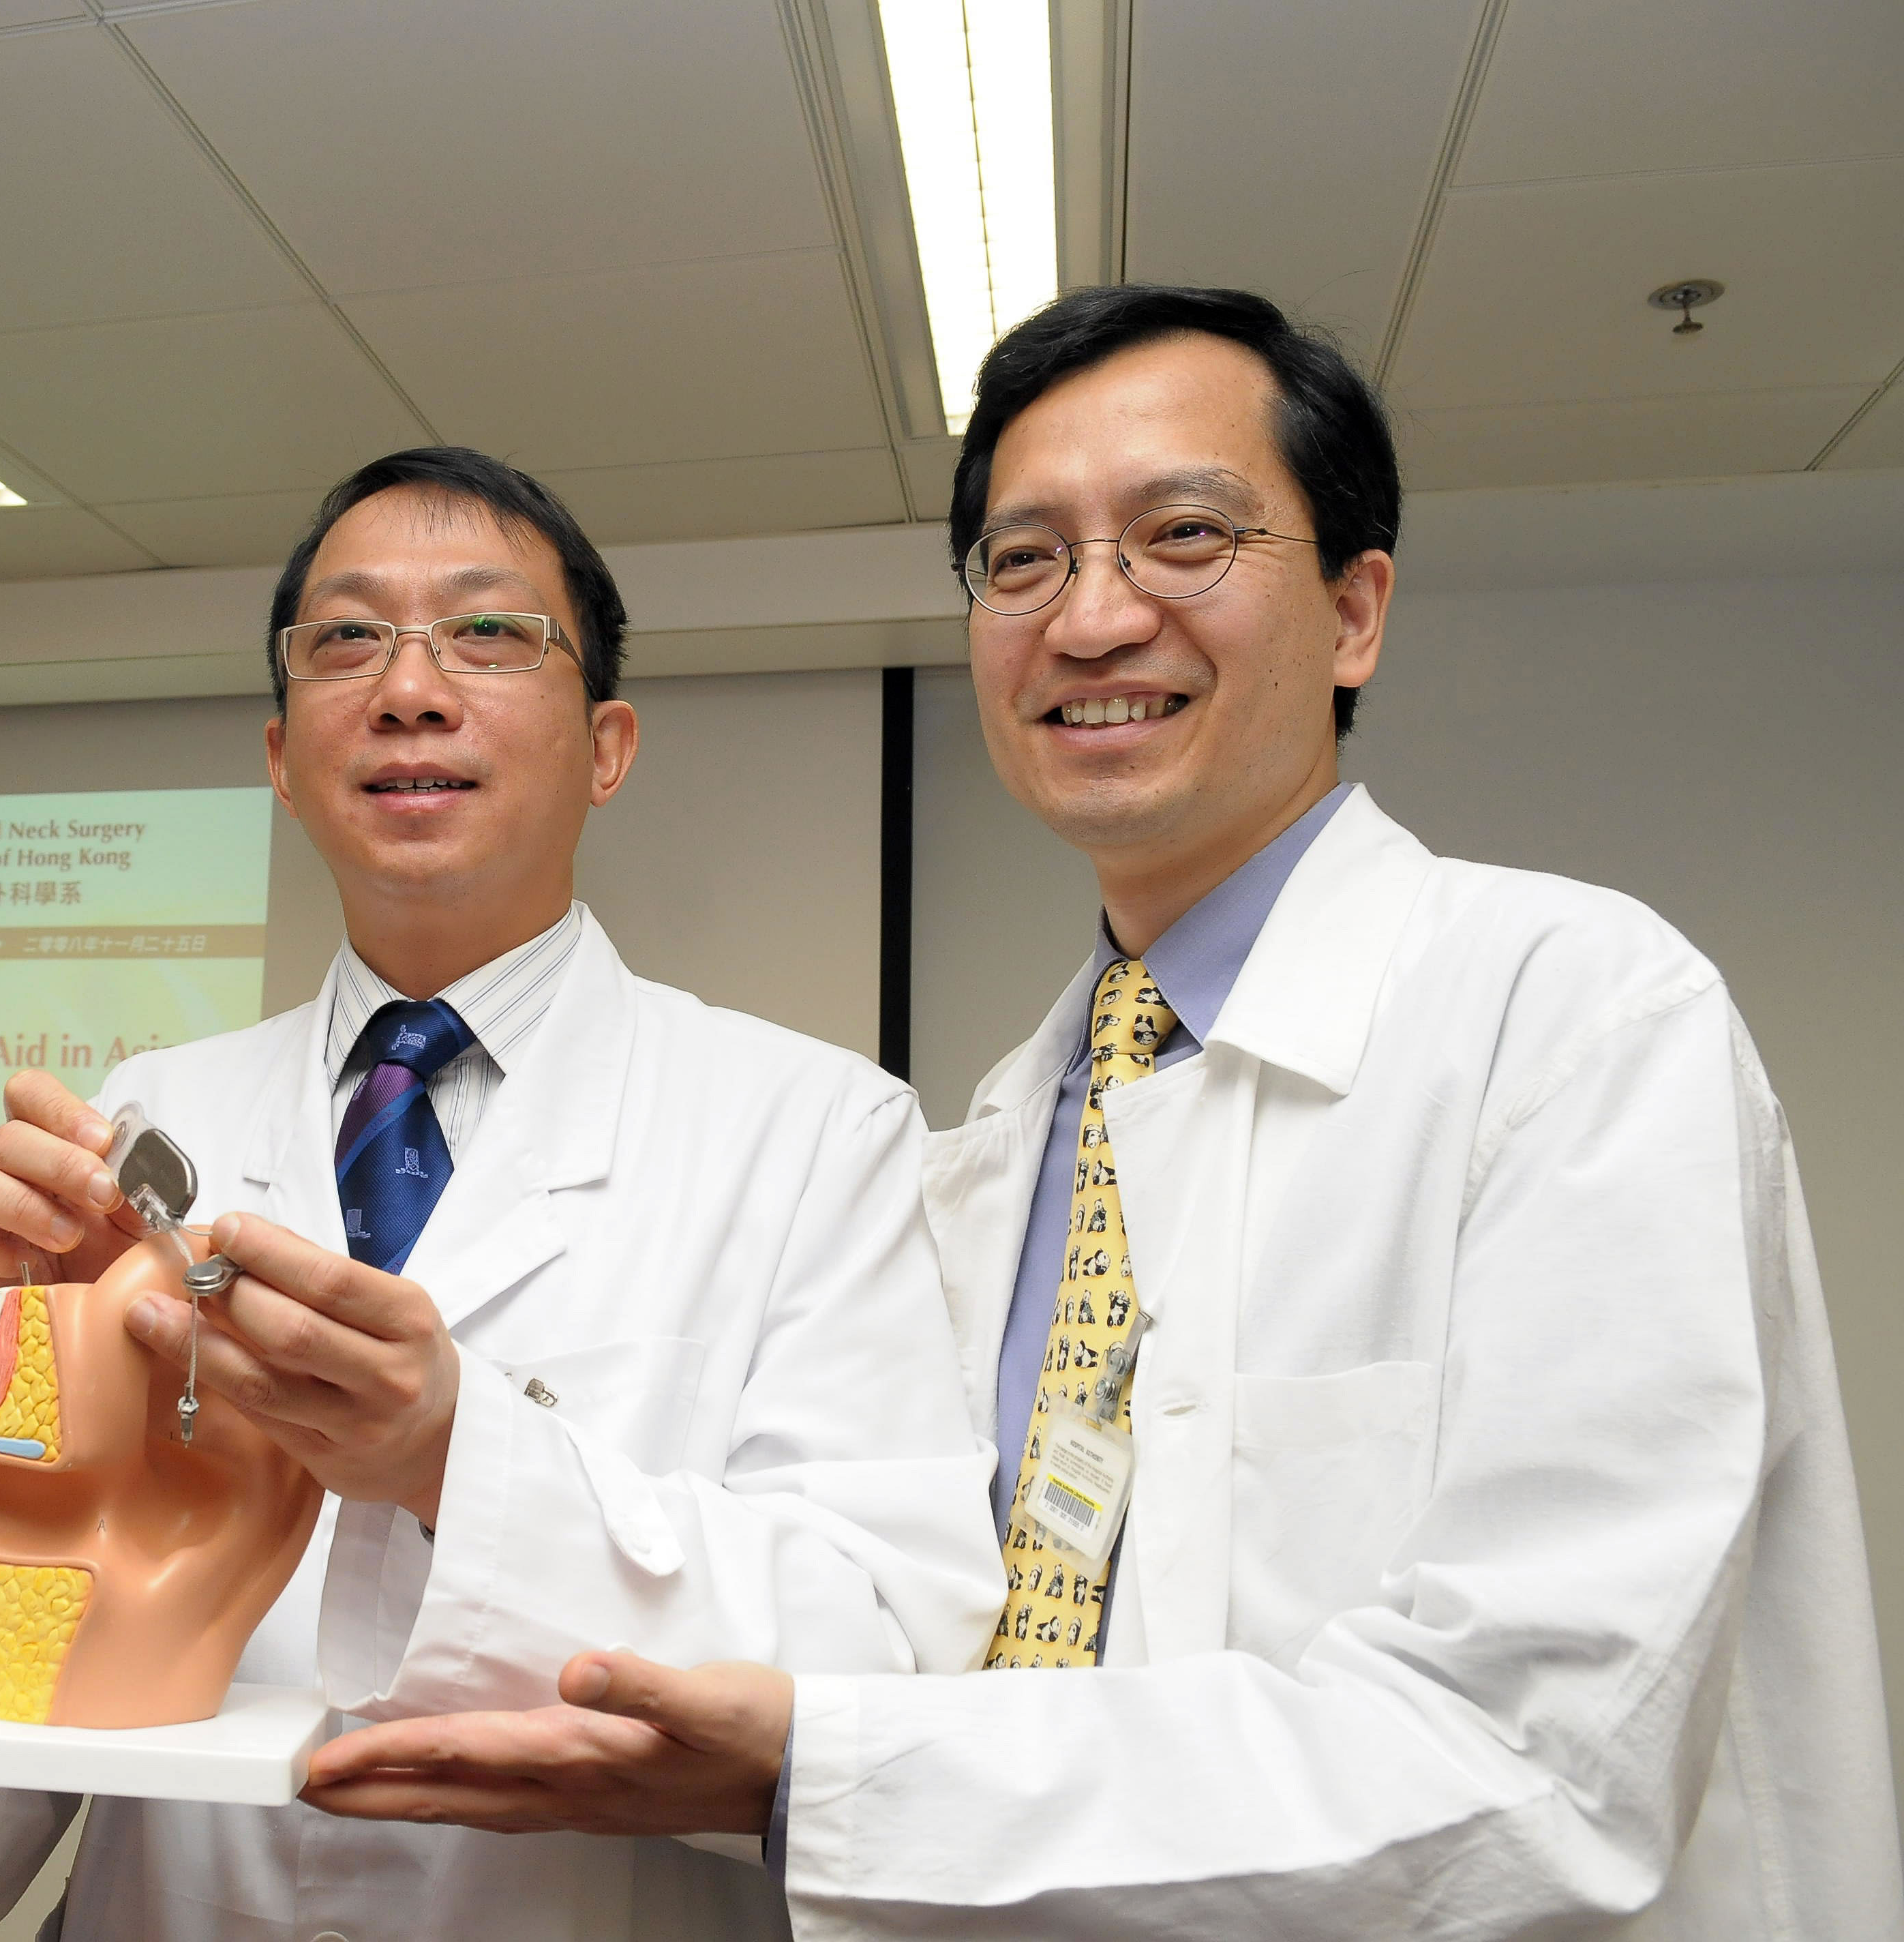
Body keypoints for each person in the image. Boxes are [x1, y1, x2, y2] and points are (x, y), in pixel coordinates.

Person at [298, 288, 1903, 1937]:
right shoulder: (990, 1152)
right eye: (1023, 560)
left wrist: (824, 1773)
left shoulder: (1569, 1016)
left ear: (1354, 611)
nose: (1090, 617)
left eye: (1181, 535)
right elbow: (914, 1648)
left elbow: (1544, 1759)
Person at [0, 448, 1008, 1941]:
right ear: (282, 755)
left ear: (605, 745)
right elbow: (29, 1672)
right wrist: (15, 1398)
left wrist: (451, 1458)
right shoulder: (146, 1114)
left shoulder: (813, 1128)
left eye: (486, 634)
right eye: (346, 639)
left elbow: (883, 1647)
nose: (408, 690)